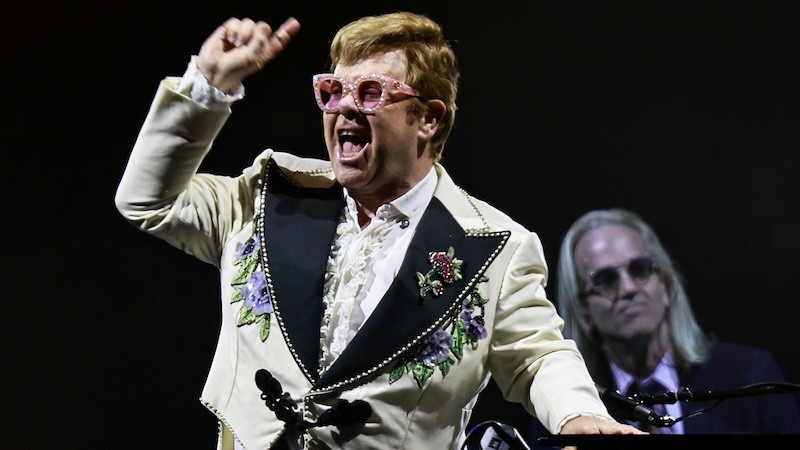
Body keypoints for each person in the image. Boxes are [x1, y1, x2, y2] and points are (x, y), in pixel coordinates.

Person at [114, 11, 643, 449]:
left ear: (428, 119)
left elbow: (537, 357)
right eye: (332, 90)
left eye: (369, 92)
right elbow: (146, 200)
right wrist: (208, 85)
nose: (343, 106)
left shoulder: (494, 248)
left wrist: (578, 416)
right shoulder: (267, 196)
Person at [554, 208, 800, 433]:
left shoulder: (751, 378)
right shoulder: (567, 410)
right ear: (583, 311)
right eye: (605, 280)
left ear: (666, 285)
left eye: (640, 269)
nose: (627, 288)